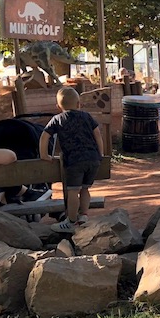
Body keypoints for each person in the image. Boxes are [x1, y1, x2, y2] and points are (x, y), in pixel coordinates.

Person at [39, 87, 104, 233]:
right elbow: (97, 134)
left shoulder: (57, 119)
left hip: (74, 161)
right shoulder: (87, 116)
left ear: (58, 106)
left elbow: (44, 136)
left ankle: (71, 221)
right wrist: (100, 153)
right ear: (78, 104)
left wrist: (44, 155)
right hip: (92, 158)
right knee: (85, 188)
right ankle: (84, 216)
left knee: (73, 191)